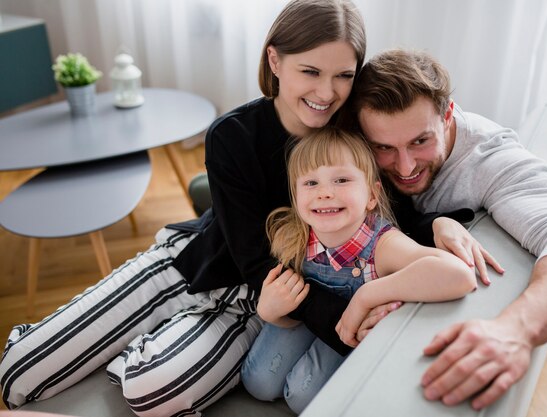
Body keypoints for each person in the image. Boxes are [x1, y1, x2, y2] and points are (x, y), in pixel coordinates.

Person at [0, 1, 368, 415]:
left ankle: (138, 353)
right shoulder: (233, 135)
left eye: (344, 76)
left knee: (152, 390)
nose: (327, 92)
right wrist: (348, 325)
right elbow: (249, 253)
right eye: (311, 71)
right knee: (16, 371)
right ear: (275, 60)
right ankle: (133, 338)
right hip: (186, 263)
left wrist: (441, 224)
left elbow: (392, 218)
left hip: (258, 300)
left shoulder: (354, 144)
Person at [338, 48, 547, 410]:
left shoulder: (489, 160)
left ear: (448, 115)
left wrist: (515, 331)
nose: (404, 167)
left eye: (421, 141)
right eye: (384, 148)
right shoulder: (351, 137)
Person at [240, 127, 478, 413]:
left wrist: (367, 294)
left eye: (341, 180)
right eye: (311, 183)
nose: (325, 193)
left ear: (371, 195)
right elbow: (296, 309)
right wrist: (270, 314)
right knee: (257, 382)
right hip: (307, 323)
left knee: (302, 396)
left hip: (350, 335)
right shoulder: (292, 237)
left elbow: (459, 275)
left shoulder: (383, 245)